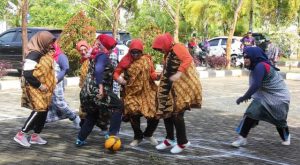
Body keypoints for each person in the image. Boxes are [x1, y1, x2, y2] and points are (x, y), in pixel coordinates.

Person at [152, 33, 202, 154]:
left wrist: (179, 73)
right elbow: (169, 69)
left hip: (183, 88)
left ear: (166, 44)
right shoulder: (168, 53)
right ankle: (170, 139)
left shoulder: (177, 47)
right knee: (166, 112)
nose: (161, 50)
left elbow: (188, 59)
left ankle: (183, 142)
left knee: (177, 114)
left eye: (161, 48)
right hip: (171, 88)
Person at [232, 47, 290, 147]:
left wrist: (244, 97)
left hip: (279, 97)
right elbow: (257, 86)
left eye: (247, 57)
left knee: (279, 121)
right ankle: (242, 138)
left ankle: (286, 136)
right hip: (265, 97)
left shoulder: (260, 66)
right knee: (251, 113)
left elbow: (256, 85)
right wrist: (249, 96)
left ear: (254, 57)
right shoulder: (256, 67)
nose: (245, 59)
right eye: (244, 57)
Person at [76, 34, 123, 147]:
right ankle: (113, 136)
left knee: (92, 115)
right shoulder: (102, 55)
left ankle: (80, 139)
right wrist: (101, 89)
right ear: (106, 46)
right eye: (111, 47)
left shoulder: (95, 54)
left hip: (86, 91)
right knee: (119, 106)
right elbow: (98, 70)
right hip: (96, 90)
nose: (112, 50)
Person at [114, 39, 159, 147]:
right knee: (133, 113)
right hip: (131, 92)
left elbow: (152, 73)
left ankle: (148, 134)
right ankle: (138, 136)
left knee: (155, 114)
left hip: (147, 91)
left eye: (137, 52)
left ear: (141, 51)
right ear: (130, 51)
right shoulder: (125, 60)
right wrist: (122, 81)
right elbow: (116, 73)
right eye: (133, 52)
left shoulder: (147, 60)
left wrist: (159, 76)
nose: (135, 54)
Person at [15, 31, 57, 147]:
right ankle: (21, 134)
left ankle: (35, 136)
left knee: (44, 110)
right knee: (39, 109)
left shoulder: (43, 52)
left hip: (44, 88)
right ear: (42, 41)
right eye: (49, 43)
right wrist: (40, 85)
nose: (51, 45)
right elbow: (27, 74)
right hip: (34, 86)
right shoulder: (34, 54)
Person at [45, 41, 80, 128]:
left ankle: (75, 118)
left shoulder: (61, 56)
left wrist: (57, 79)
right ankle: (42, 121)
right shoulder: (46, 56)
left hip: (57, 83)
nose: (51, 50)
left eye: (52, 48)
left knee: (60, 103)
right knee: (48, 104)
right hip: (47, 83)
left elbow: (66, 68)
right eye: (49, 48)